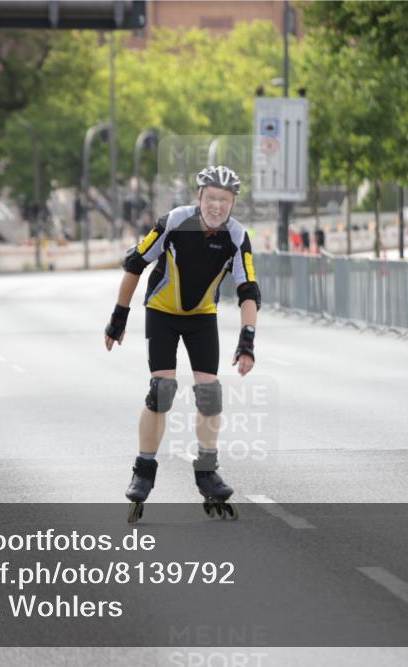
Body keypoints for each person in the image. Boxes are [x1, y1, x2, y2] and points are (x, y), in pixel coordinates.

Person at [104, 165, 260, 522]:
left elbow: (248, 289)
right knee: (163, 389)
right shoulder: (174, 222)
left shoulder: (237, 237)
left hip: (202, 317)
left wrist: (247, 340)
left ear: (233, 203)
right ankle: (143, 470)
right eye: (211, 198)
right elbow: (135, 262)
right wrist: (118, 318)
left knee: (210, 394)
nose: (217, 206)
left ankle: (207, 472)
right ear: (199, 197)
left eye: (225, 200)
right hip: (162, 311)